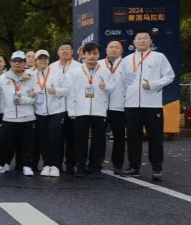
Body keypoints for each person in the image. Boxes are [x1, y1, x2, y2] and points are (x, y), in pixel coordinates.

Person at [121, 29, 175, 181]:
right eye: (139, 38)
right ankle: (134, 167)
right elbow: (125, 80)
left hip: (152, 104)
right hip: (132, 105)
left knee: (155, 137)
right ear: (134, 42)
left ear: (151, 41)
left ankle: (157, 168)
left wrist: (153, 85)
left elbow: (169, 76)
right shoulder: (128, 59)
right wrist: (128, 93)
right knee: (133, 137)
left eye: (146, 38)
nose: (142, 41)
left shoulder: (159, 57)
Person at [67, 43, 114, 178]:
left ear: (99, 55)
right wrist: (71, 111)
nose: (92, 56)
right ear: (84, 55)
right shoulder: (76, 72)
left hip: (99, 111)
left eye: (95, 53)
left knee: (98, 141)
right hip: (80, 111)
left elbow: (112, 88)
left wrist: (105, 87)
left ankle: (95, 167)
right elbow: (71, 93)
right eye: (89, 53)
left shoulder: (105, 71)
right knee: (80, 141)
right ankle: (80, 167)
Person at [0, 51, 37, 176]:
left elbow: (36, 98)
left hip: (27, 117)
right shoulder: (3, 78)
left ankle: (27, 166)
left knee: (27, 144)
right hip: (9, 117)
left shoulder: (31, 77)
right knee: (5, 144)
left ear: (24, 63)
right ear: (10, 63)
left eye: (20, 61)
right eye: (15, 61)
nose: (17, 63)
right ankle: (1, 164)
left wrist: (22, 100)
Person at [30, 50, 68, 177]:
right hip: (40, 112)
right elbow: (26, 92)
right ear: (36, 61)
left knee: (55, 138)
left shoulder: (57, 72)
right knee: (43, 139)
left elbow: (67, 89)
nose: (42, 60)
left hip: (56, 111)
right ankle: (46, 164)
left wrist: (57, 91)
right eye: (40, 58)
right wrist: (30, 94)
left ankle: (56, 165)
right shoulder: (31, 75)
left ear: (48, 60)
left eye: (45, 58)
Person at [49, 42, 82, 174]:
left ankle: (70, 164)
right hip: (57, 109)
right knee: (57, 138)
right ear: (57, 52)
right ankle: (56, 164)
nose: (64, 51)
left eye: (67, 49)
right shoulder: (51, 67)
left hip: (74, 108)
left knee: (72, 138)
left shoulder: (79, 67)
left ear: (72, 52)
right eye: (61, 49)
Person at [101, 40, 127, 174]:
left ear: (122, 51)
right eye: (111, 47)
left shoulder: (128, 64)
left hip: (119, 106)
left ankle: (118, 165)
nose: (114, 49)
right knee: (99, 136)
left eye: (117, 47)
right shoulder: (99, 64)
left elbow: (130, 82)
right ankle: (97, 163)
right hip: (101, 106)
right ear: (106, 49)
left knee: (119, 137)